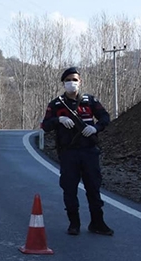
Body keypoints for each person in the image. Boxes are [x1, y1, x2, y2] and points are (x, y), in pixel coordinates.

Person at [41, 67, 114, 236]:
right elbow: (45, 126)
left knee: (93, 188)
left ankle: (98, 223)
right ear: (63, 83)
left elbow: (105, 117)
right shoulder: (56, 104)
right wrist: (59, 119)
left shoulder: (90, 101)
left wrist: (95, 128)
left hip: (89, 151)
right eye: (68, 80)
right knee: (69, 188)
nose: (72, 83)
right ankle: (74, 223)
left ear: (80, 82)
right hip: (68, 153)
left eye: (75, 80)